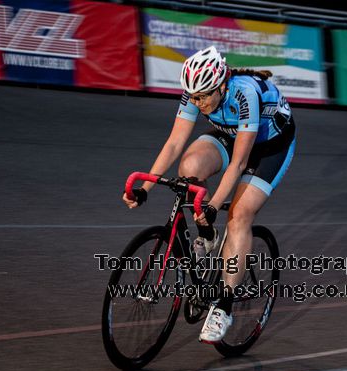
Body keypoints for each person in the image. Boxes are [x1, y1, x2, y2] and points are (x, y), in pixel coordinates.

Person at [122, 46, 296, 343]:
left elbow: (240, 163)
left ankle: (224, 307)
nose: (197, 102)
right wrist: (145, 188)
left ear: (221, 86)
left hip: (269, 149)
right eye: (193, 96)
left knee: (239, 216)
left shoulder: (244, 95)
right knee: (189, 165)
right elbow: (175, 143)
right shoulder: (195, 92)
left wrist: (215, 206)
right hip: (233, 136)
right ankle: (207, 235)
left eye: (203, 96)